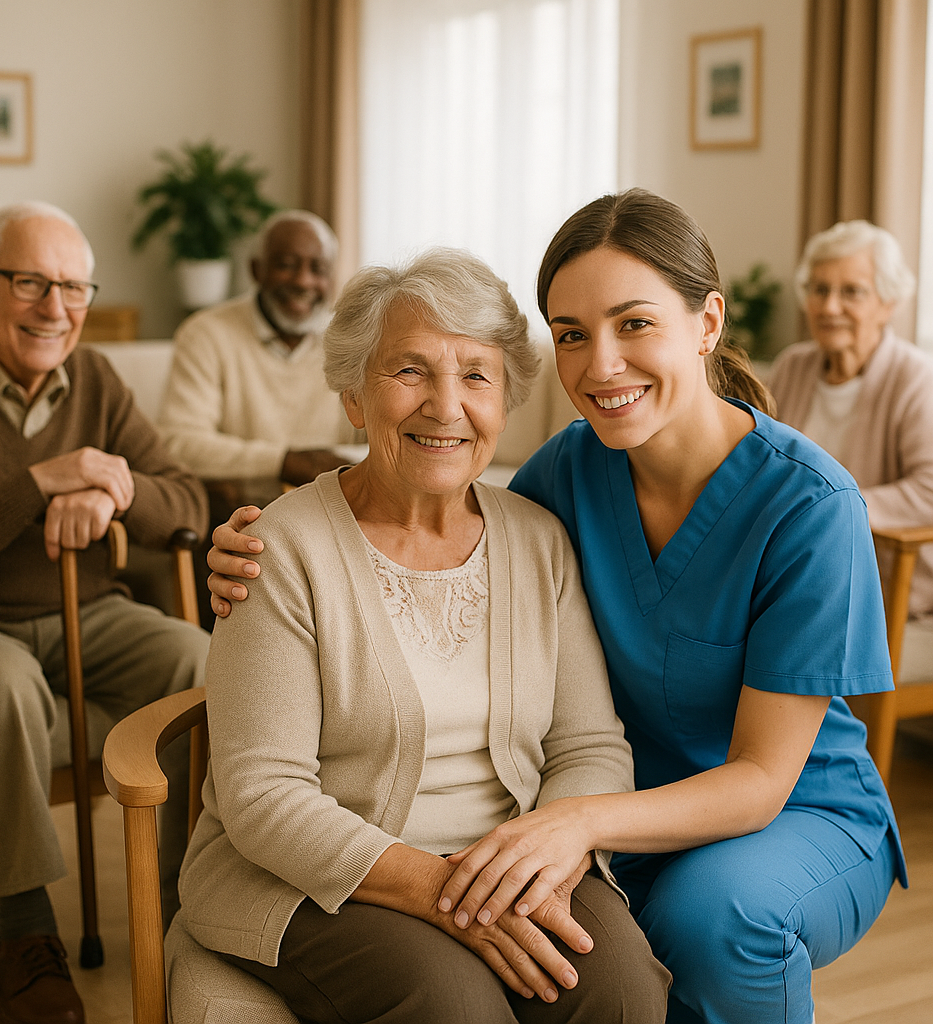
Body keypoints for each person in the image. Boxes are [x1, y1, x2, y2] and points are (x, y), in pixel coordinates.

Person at [205, 190, 906, 1024]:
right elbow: (437, 515)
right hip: (604, 814)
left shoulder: (809, 504)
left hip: (775, 810)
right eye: (571, 334)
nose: (601, 364)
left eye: (634, 324)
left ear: (707, 324)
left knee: (702, 922)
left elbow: (752, 779)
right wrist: (252, 555)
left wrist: (570, 826)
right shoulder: (568, 475)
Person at [178, 248, 670, 1024]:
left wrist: (542, 863)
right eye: (409, 371)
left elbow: (589, 747)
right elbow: (263, 795)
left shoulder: (539, 540)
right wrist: (443, 892)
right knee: (454, 1005)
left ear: (505, 401)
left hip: (509, 860)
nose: (446, 407)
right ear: (352, 395)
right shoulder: (279, 549)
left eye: (476, 375)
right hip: (316, 875)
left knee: (620, 988)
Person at [0, 202, 210, 1024]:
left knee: (203, 662)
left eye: (73, 287)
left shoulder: (101, 382)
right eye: (31, 283)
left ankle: (192, 905)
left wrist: (115, 484)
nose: (56, 308)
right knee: (4, 687)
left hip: (93, 615)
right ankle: (26, 933)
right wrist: (39, 482)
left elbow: (186, 501)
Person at [769, 220, 933, 624]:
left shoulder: (915, 377)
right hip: (791, 569)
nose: (829, 307)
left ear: (888, 303)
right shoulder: (793, 366)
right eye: (819, 290)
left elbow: (929, 490)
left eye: (852, 292)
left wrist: (832, 509)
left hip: (878, 582)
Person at [157, 209, 358, 508]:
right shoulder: (205, 333)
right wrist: (284, 461)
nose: (303, 281)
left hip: (339, 508)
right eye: (287, 265)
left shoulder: (350, 339)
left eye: (318, 269)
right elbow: (180, 444)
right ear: (256, 270)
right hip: (244, 515)